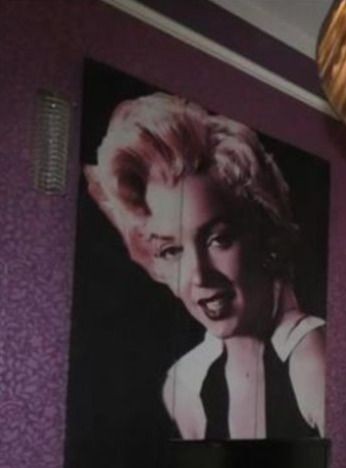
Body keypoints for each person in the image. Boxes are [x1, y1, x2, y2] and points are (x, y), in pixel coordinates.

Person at [84, 92, 325, 439]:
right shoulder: (185, 382)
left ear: (264, 233)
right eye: (171, 251)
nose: (198, 275)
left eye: (218, 239)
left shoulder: (310, 359)